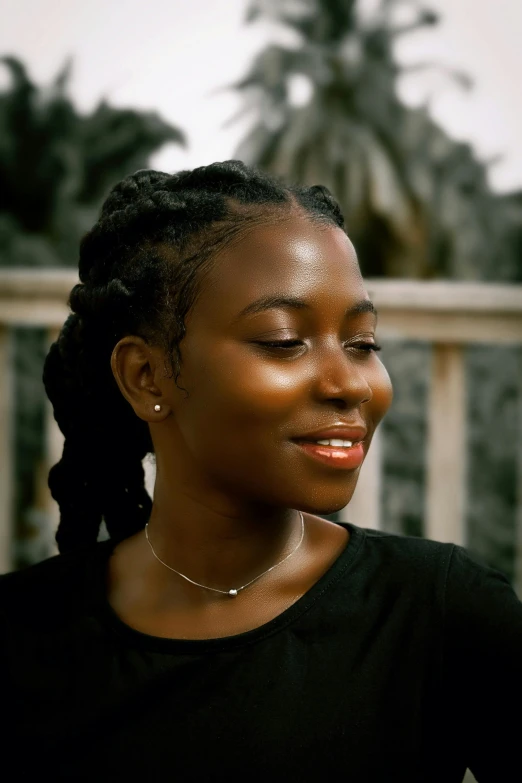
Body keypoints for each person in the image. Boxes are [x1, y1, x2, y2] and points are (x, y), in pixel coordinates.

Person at [1, 161, 520, 782]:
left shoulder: (439, 613)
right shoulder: (20, 638)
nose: (348, 383)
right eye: (282, 340)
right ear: (147, 376)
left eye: (363, 343)